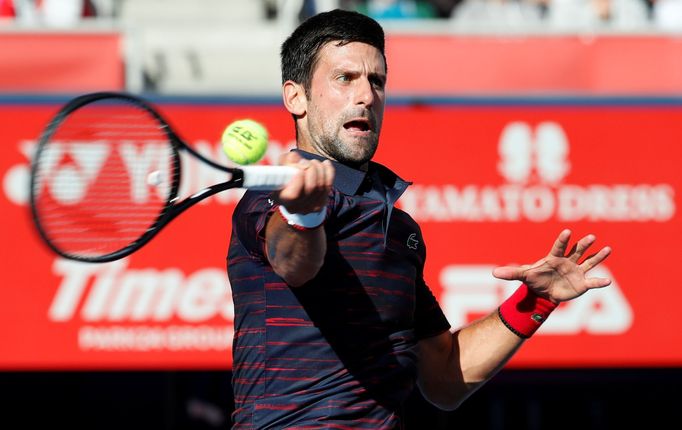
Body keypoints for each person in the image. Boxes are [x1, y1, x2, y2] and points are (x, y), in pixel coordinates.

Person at [227, 9, 612, 429]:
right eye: (345, 78)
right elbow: (296, 262)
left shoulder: (399, 229)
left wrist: (536, 301)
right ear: (295, 97)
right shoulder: (270, 199)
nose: (366, 96)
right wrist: (305, 211)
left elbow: (445, 378)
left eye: (377, 81)